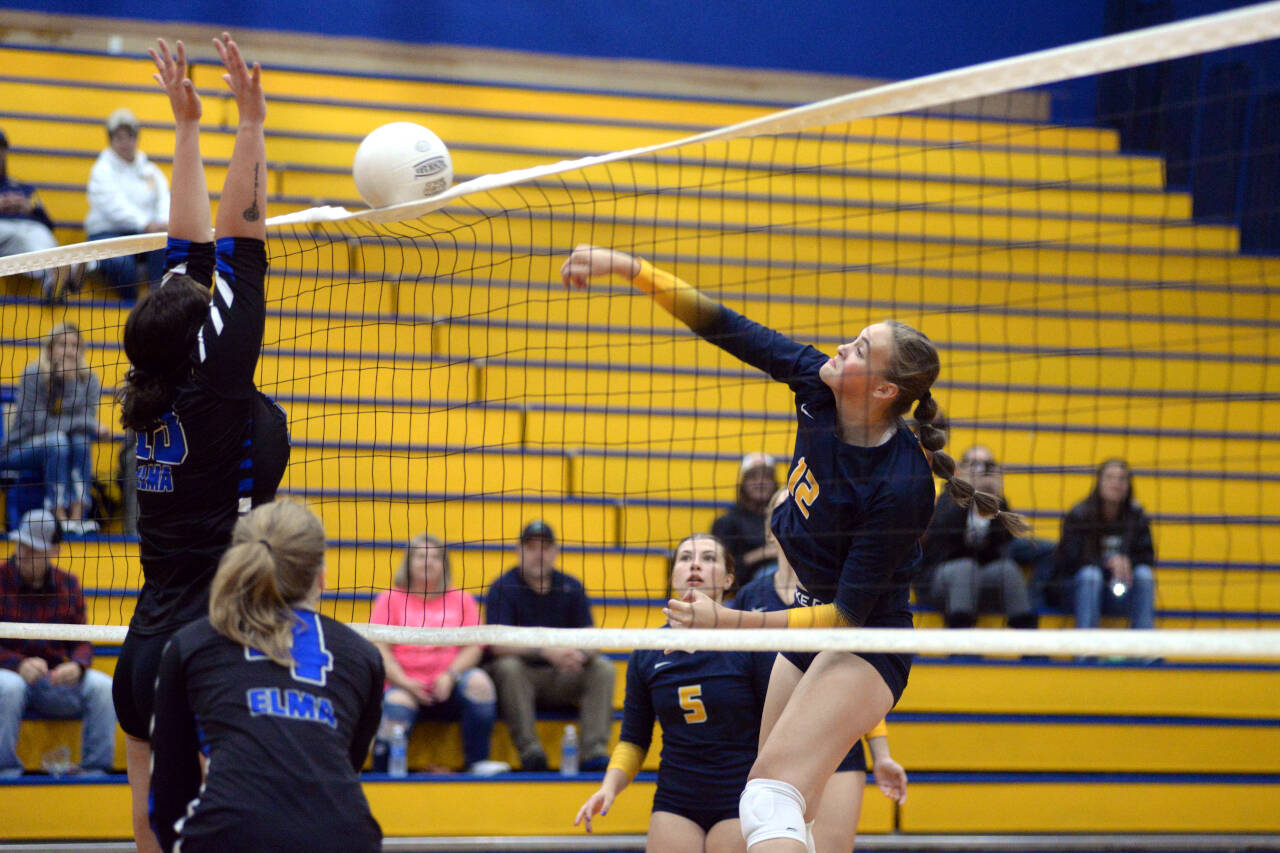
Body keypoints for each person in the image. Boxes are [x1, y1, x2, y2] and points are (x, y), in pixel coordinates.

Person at [562, 245, 1021, 852]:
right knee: (777, 801)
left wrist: (729, 620)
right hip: (809, 623)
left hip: (865, 639)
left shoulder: (902, 485)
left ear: (884, 388)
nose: (839, 348)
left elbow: (848, 615)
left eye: (858, 349)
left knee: (768, 796)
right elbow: (726, 325)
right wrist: (631, 270)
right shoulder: (818, 384)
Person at [111, 36, 289, 853]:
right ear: (204, 341)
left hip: (144, 646)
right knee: (226, 830)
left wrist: (186, 129)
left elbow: (187, 259)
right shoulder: (217, 386)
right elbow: (240, 244)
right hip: (210, 642)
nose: (184, 281)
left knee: (154, 830)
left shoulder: (155, 379)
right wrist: (249, 122)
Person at [149, 499, 383, 852]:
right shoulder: (363, 656)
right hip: (347, 836)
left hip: (230, 832)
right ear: (321, 577)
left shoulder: (190, 645)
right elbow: (339, 769)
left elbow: (169, 794)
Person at [732, 489, 908, 851]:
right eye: (791, 510)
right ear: (774, 528)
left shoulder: (843, 589)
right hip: (779, 742)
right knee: (773, 813)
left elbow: (857, 680)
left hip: (838, 747)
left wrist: (883, 753)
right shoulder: (751, 597)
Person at [575, 533, 769, 852]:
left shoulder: (750, 643)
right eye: (685, 558)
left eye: (708, 558)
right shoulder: (647, 652)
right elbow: (633, 740)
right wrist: (608, 788)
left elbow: (776, 727)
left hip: (741, 794)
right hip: (676, 799)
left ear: (728, 579)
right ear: (673, 576)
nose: (695, 564)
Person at [368, 533, 509, 776]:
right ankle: (385, 774)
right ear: (409, 562)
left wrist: (451, 675)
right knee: (397, 703)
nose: (428, 562)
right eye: (421, 556)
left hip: (448, 685)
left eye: (435, 557)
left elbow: (475, 645)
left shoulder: (461, 599)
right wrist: (404, 682)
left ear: (443, 564)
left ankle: (477, 761)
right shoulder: (390, 599)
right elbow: (379, 648)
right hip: (405, 685)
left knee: (480, 683)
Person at [485, 519, 615, 772]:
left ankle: (593, 752)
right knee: (508, 667)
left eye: (545, 548)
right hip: (523, 678)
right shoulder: (503, 587)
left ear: (555, 552)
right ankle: (530, 751)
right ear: (519, 551)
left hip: (564, 675)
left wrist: (576, 654)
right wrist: (547, 651)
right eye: (532, 547)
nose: (539, 554)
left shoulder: (571, 586)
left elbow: (592, 638)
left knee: (602, 668)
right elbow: (497, 644)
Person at [0, 509, 115, 777]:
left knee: (103, 688)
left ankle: (96, 772)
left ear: (53, 551)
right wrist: (18, 664)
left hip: (53, 679)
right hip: (9, 674)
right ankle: (5, 772)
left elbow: (82, 639)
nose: (23, 554)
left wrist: (77, 665)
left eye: (33, 548)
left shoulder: (68, 584)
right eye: (21, 545)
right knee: (10, 687)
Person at [2, 322, 112, 534]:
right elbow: (37, 424)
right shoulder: (32, 373)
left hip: (62, 444)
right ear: (50, 348)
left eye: (75, 345)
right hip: (19, 447)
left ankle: (78, 514)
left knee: (80, 440)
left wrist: (70, 383)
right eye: (63, 344)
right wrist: (88, 424)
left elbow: (82, 425)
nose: (69, 351)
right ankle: (58, 513)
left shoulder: (88, 379)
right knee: (58, 440)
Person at [918, 446, 1038, 629]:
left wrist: (992, 503)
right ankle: (961, 645)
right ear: (960, 470)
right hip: (941, 580)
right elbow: (948, 537)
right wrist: (969, 497)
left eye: (987, 465)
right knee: (965, 568)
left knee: (1008, 569)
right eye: (974, 464)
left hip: (979, 579)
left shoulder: (999, 501)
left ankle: (1030, 645)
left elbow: (1004, 544)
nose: (981, 470)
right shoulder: (947, 498)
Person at [1055, 458, 1156, 630]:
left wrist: (1128, 562)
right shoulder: (1079, 514)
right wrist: (1108, 563)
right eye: (1110, 478)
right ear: (1099, 482)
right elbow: (1069, 560)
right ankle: (1086, 651)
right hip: (1081, 593)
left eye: (1122, 479)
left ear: (1128, 485)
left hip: (1121, 590)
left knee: (1144, 575)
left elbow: (1148, 557)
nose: (1116, 484)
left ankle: (1145, 649)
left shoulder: (1137, 516)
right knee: (1090, 576)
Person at [84, 107, 169, 299]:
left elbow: (164, 198)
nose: (124, 142)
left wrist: (162, 222)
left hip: (144, 235)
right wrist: (146, 224)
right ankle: (130, 307)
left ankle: (159, 301)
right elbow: (113, 205)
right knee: (122, 263)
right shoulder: (102, 170)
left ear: (136, 138)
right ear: (111, 140)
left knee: (165, 247)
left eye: (129, 136)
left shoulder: (151, 171)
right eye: (118, 137)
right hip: (107, 236)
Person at [0, 129, 85, 301]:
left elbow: (48, 223)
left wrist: (28, 208)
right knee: (21, 236)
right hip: (5, 231)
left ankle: (58, 277)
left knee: (41, 233)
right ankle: (62, 272)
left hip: (30, 229)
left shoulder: (22, 188)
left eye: (1, 148)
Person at [711, 453, 780, 589]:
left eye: (766, 477)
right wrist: (763, 554)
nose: (760, 482)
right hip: (743, 593)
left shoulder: (787, 518)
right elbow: (722, 570)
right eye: (753, 477)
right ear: (743, 483)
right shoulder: (727, 522)